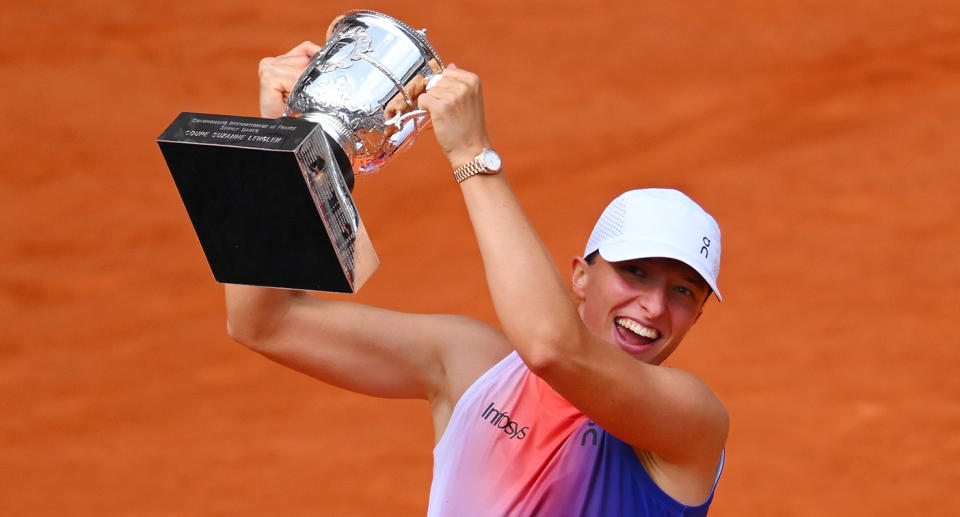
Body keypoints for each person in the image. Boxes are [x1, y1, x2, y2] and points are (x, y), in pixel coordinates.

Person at [228, 41, 728, 516]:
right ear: (580, 277)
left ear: (698, 316)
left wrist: (472, 153)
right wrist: (279, 141)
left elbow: (553, 349)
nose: (654, 306)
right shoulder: (470, 367)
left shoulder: (691, 421)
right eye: (634, 273)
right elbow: (264, 321)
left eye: (682, 291)